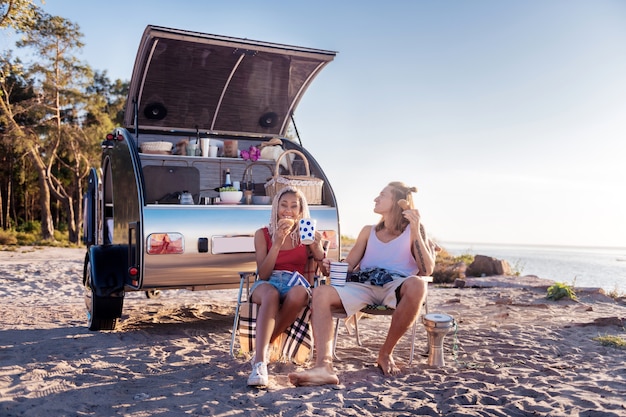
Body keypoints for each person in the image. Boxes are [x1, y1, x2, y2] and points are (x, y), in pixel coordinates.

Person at [288, 181, 437, 387]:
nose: (376, 198)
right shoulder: (368, 231)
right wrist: (331, 265)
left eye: (382, 195)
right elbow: (349, 266)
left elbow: (427, 269)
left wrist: (416, 229)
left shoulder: (414, 230)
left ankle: (385, 354)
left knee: (418, 285)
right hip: (363, 284)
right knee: (321, 292)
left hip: (396, 286)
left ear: (398, 202)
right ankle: (324, 366)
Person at [247, 186, 327, 387]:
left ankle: (262, 349)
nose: (288, 211)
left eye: (294, 206)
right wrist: (277, 243)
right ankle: (259, 365)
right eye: (283, 205)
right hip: (267, 283)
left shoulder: (305, 234)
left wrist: (317, 248)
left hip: (295, 283)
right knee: (271, 294)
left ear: (301, 211)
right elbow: (263, 274)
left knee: (301, 294)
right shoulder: (262, 234)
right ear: (276, 208)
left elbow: (325, 271)